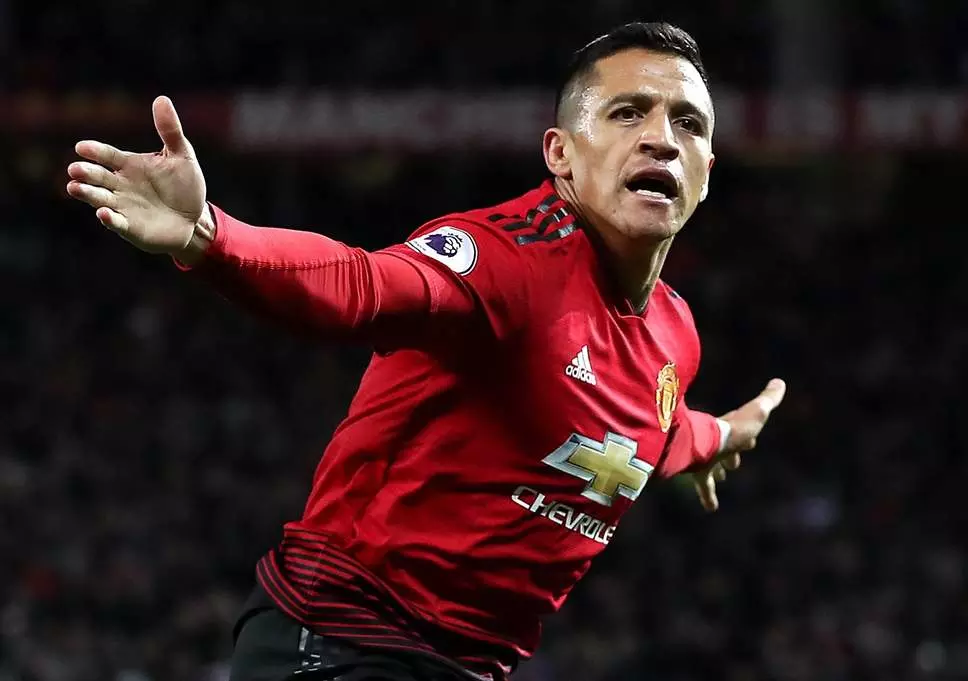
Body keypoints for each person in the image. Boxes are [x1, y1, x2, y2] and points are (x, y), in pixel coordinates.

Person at [66, 21, 786, 681]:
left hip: (460, 668)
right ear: (560, 154)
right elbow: (362, 284)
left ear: (708, 169)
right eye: (628, 113)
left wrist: (719, 437)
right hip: (342, 639)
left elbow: (647, 433)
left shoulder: (673, 333)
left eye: (688, 123)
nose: (662, 138)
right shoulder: (509, 261)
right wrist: (211, 235)